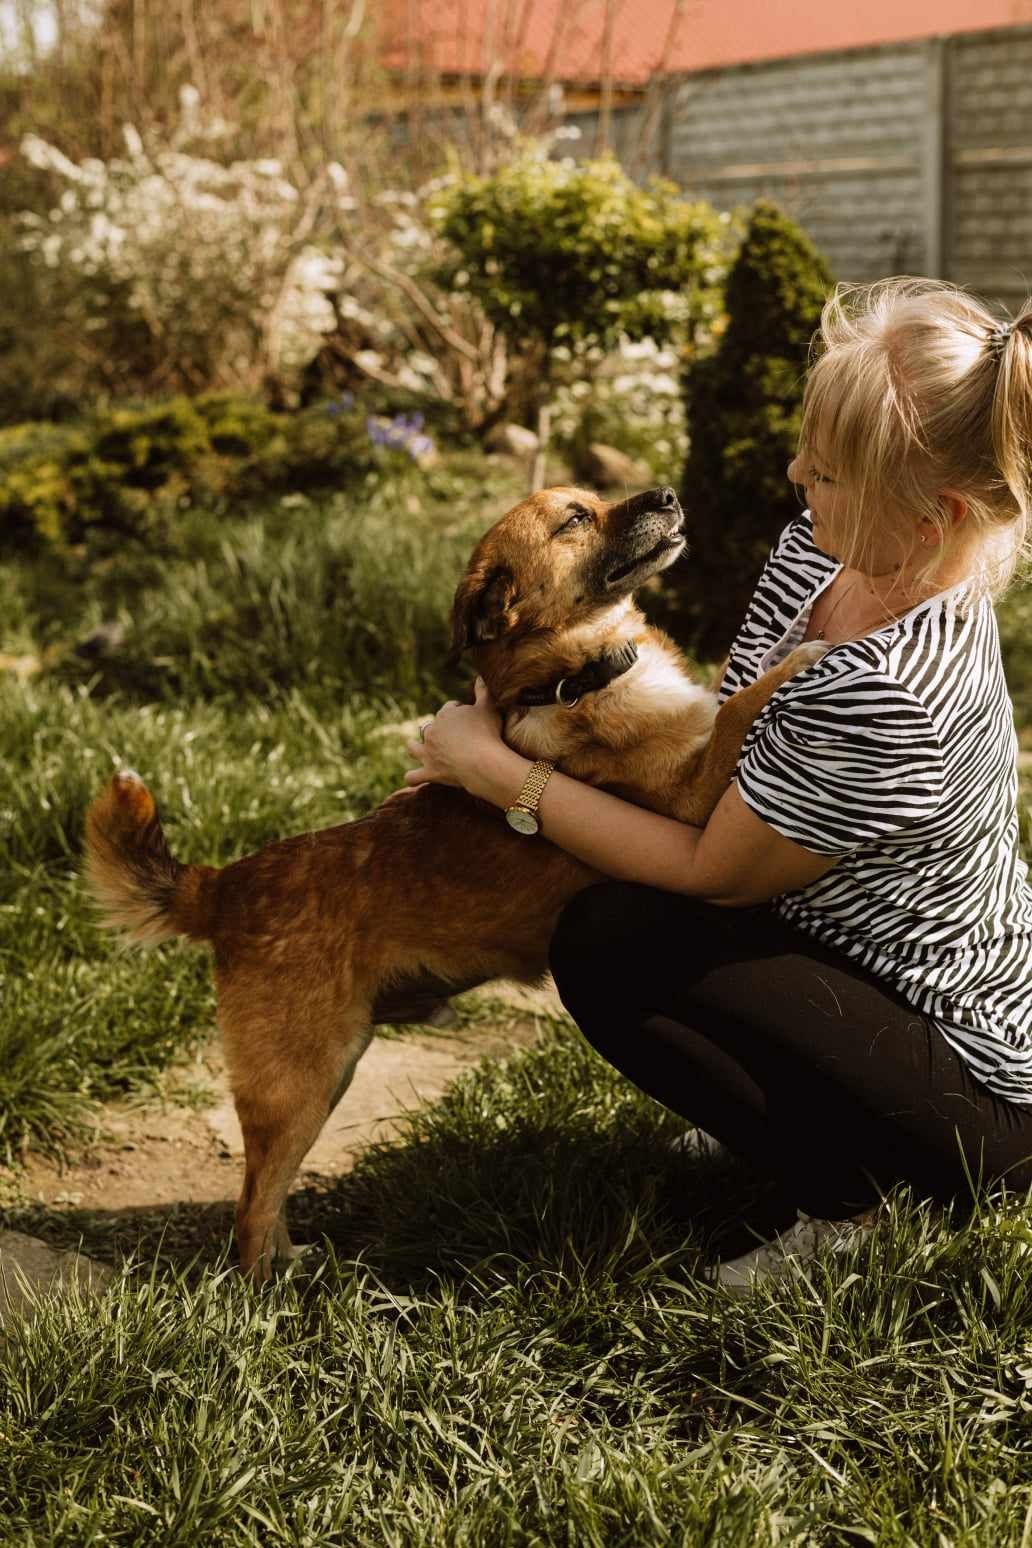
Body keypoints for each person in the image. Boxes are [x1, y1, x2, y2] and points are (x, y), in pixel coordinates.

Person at [402, 277, 1032, 1290]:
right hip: (861, 954)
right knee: (622, 909)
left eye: (825, 472)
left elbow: (709, 868)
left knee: (611, 944)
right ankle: (800, 1109)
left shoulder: (888, 687)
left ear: (932, 520)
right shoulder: (817, 561)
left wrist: (501, 775)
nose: (793, 476)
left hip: (977, 1086)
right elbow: (710, 770)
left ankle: (858, 1202)